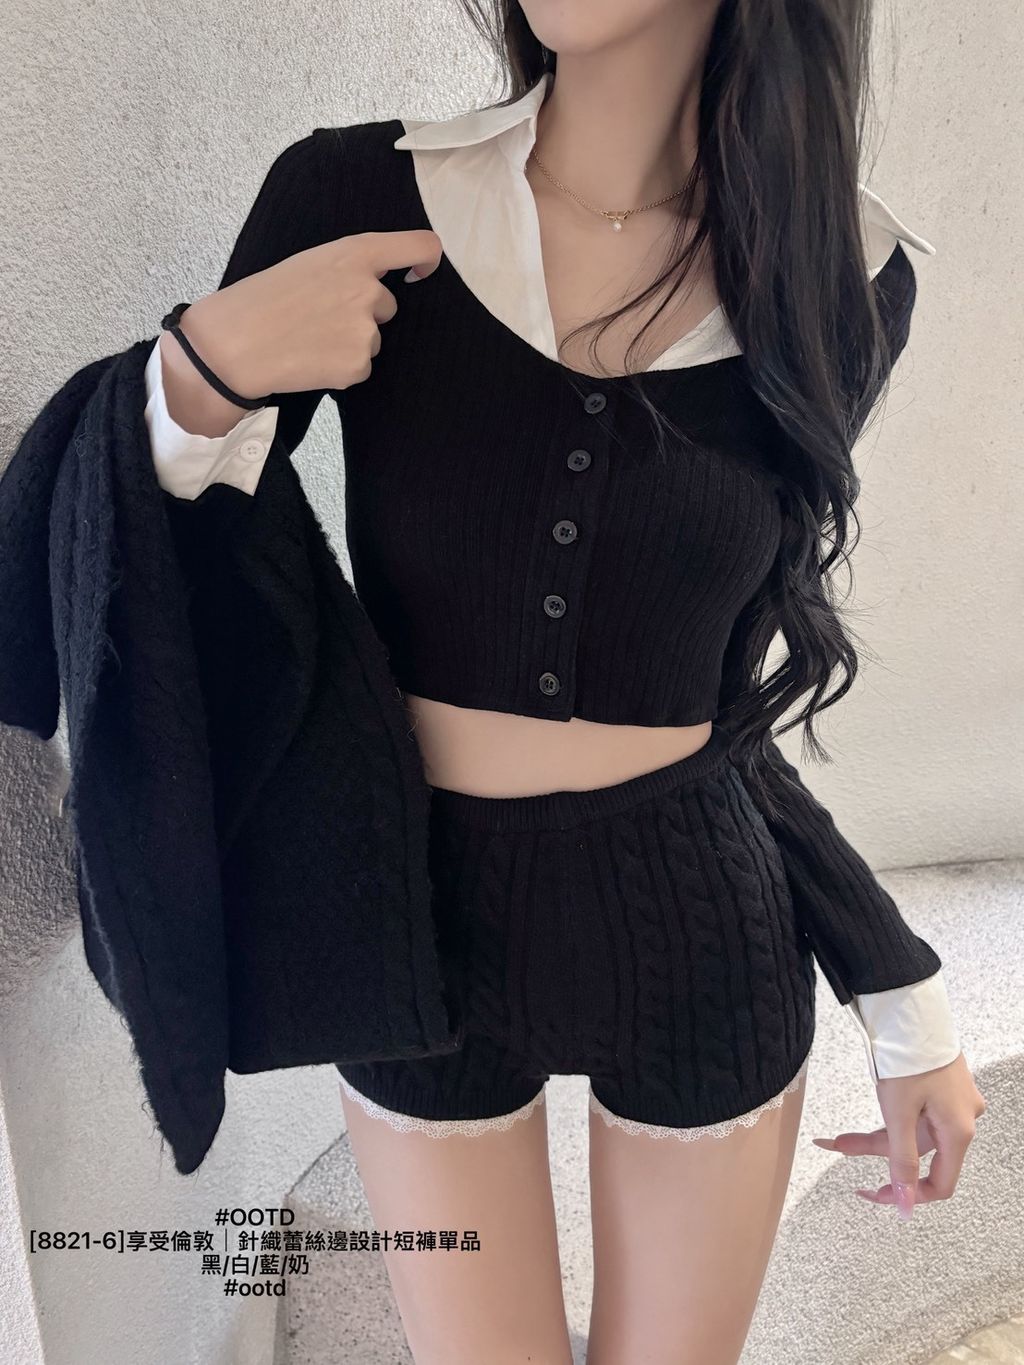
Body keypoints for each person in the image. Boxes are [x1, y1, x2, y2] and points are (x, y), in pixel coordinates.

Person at [10, 2, 988, 1362]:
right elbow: (167, 592)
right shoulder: (356, 196)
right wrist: (194, 380)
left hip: (700, 928)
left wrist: (895, 983)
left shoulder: (844, 280)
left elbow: (726, 713)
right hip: (411, 933)